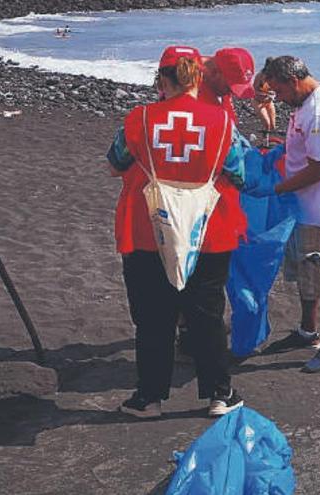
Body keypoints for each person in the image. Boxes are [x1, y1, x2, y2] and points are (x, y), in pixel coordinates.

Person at [106, 45, 248, 418]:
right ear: (198, 77)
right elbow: (239, 174)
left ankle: (148, 397)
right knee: (207, 313)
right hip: (207, 230)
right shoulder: (221, 122)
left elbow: (116, 161)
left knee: (153, 316)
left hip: (147, 229)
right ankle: (220, 393)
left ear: (161, 79)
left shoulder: (139, 119)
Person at [258, 56, 320, 373]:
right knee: (305, 273)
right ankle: (307, 332)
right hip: (301, 206)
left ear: (293, 81)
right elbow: (301, 148)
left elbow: (316, 173)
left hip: (318, 210)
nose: (278, 99)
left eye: (279, 91)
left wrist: (276, 190)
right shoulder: (305, 100)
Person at [200, 47, 256, 124]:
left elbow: (230, 122)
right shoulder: (185, 86)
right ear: (215, 72)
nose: (232, 93)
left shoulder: (218, 85)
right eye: (229, 87)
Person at [252, 63, 277, 135]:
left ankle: (270, 142)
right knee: (267, 124)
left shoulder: (273, 77)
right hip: (258, 101)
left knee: (273, 125)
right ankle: (265, 140)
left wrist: (273, 94)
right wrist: (265, 94)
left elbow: (276, 89)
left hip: (268, 101)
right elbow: (253, 91)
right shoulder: (259, 76)